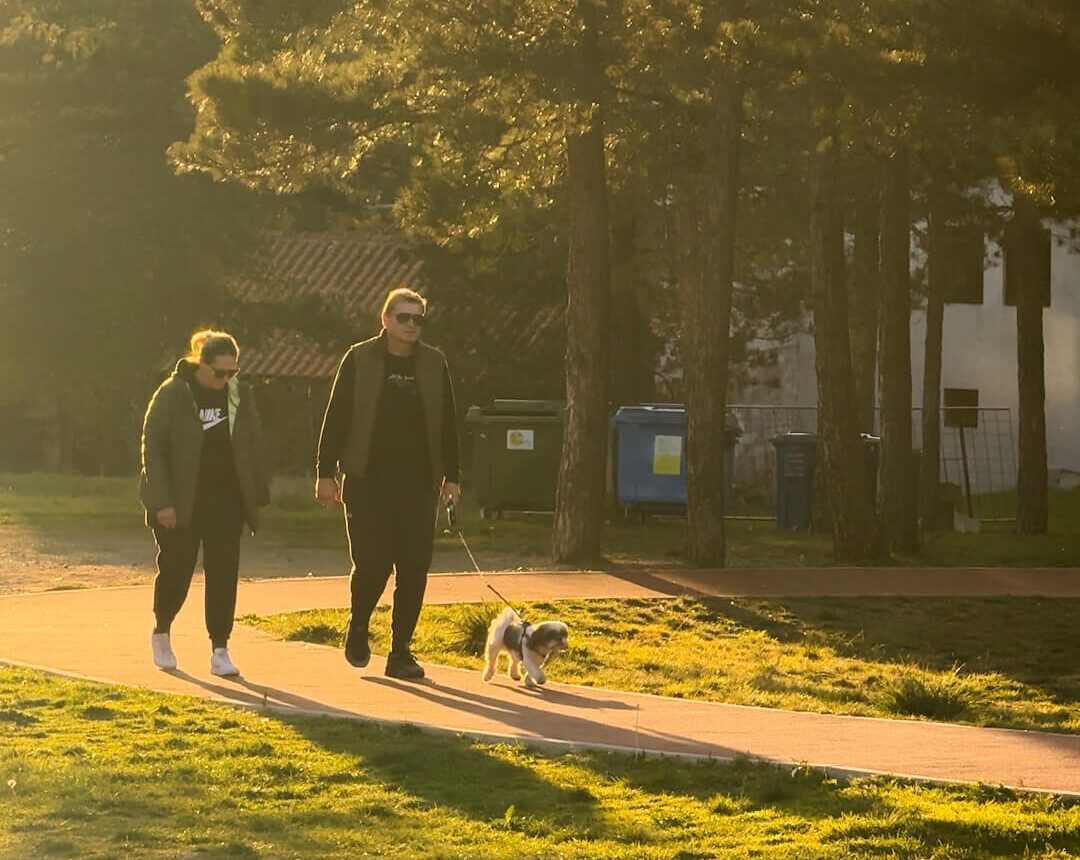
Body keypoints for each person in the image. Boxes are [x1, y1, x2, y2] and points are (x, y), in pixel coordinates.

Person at [316, 287, 460, 680]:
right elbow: (337, 416)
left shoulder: (433, 363)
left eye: (418, 319)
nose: (412, 325)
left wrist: (453, 476)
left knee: (414, 567)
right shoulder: (359, 358)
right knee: (373, 562)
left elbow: (448, 421)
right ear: (386, 320)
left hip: (419, 482)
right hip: (367, 480)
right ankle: (359, 624)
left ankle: (400, 652)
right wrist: (325, 473)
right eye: (404, 317)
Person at [139, 329, 270, 676]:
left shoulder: (239, 395)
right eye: (219, 372)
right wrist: (163, 502)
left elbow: (252, 441)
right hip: (182, 501)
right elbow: (152, 449)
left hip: (225, 500)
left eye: (232, 372)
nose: (226, 379)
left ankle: (220, 648)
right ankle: (162, 629)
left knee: (224, 573)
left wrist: (257, 492)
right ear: (201, 364)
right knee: (177, 570)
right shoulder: (173, 394)